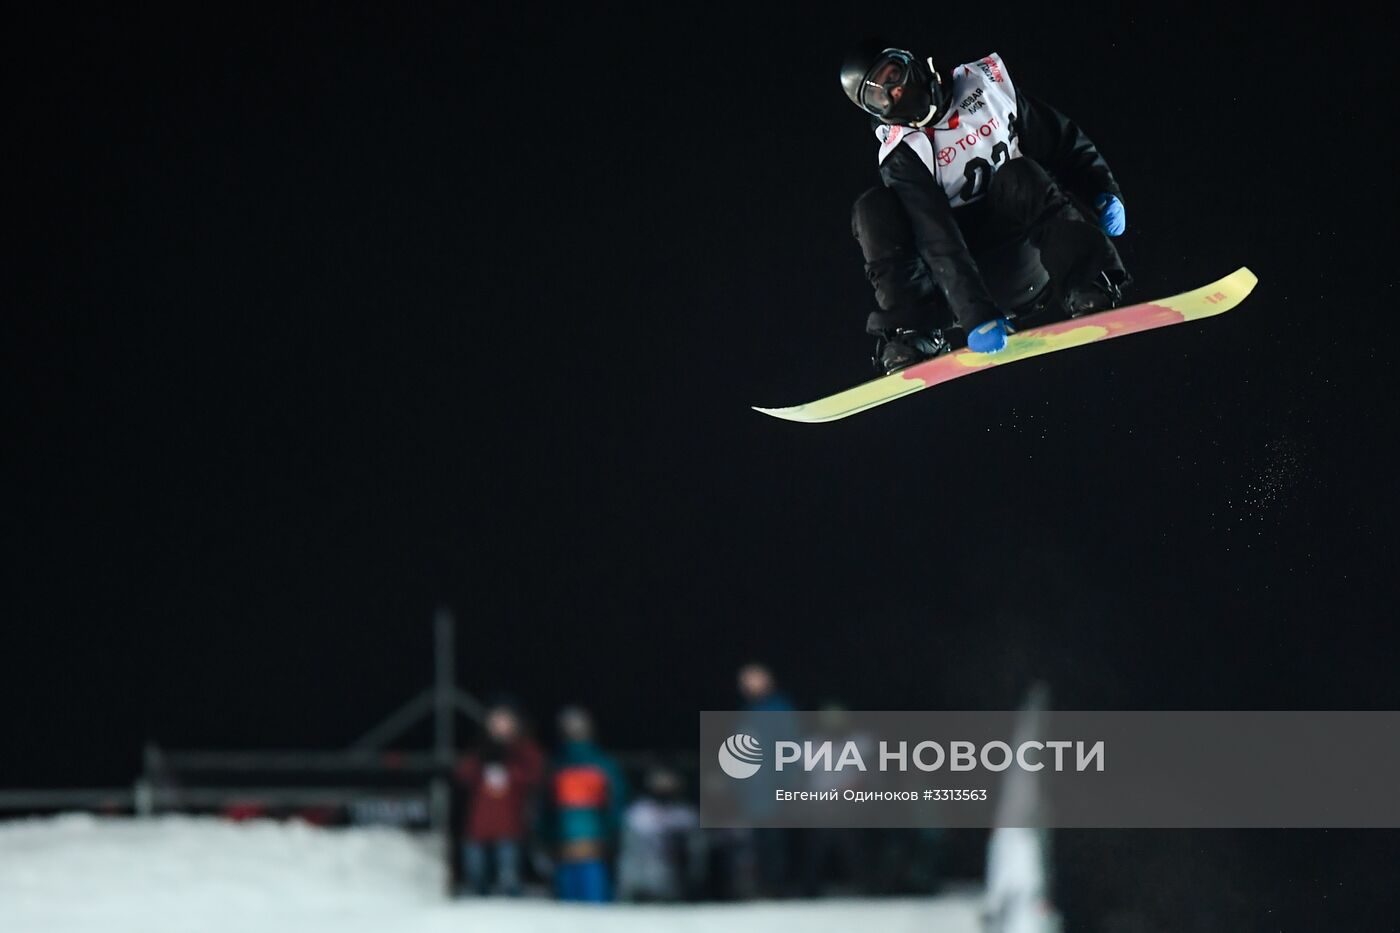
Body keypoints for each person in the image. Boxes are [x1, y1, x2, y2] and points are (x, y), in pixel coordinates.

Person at [840, 40, 1131, 374]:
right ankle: (914, 332)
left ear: (911, 62)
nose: (894, 93)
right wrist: (975, 314)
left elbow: (1059, 139)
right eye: (879, 96)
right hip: (960, 283)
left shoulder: (985, 86)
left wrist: (1103, 189)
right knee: (873, 208)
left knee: (1017, 174)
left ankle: (1089, 283)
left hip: (1025, 260)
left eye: (894, 75)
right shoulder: (903, 152)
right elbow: (937, 235)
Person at [454, 703, 544, 897]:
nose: (500, 726)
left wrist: (510, 770)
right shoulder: (479, 751)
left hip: (509, 825)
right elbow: (463, 776)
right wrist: (483, 762)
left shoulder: (523, 750)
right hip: (478, 825)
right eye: (496, 721)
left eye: (505, 721)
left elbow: (535, 775)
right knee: (475, 875)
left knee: (508, 878)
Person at [542, 705, 628, 902]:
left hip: (595, 849)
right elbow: (546, 808)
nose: (574, 731)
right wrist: (546, 837)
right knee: (566, 910)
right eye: (569, 726)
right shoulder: (556, 766)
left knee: (596, 907)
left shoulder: (603, 765)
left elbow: (615, 804)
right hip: (563, 848)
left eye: (579, 725)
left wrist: (610, 835)